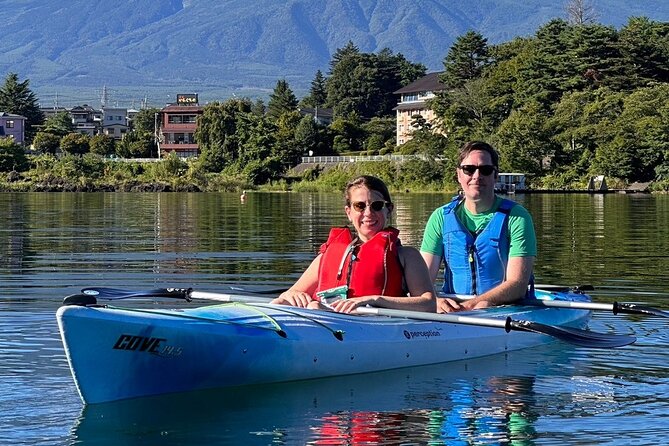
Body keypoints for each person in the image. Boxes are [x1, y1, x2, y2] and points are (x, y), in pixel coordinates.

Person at [271, 175, 436, 313]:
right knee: (286, 304)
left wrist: (375, 300)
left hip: (375, 326)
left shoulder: (407, 255)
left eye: (377, 206)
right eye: (360, 206)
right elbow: (291, 293)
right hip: (327, 319)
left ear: (389, 209)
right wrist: (290, 295)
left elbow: (429, 304)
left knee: (315, 307)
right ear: (349, 212)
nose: (368, 213)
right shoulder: (327, 256)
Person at [420, 141, 537, 313]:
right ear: (459, 174)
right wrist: (434, 301)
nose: (477, 176)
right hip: (451, 308)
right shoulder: (440, 217)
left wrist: (472, 305)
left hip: (503, 308)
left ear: (495, 175)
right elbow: (422, 281)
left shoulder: (517, 218)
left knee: (484, 304)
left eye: (485, 170)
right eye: (469, 169)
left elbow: (517, 284)